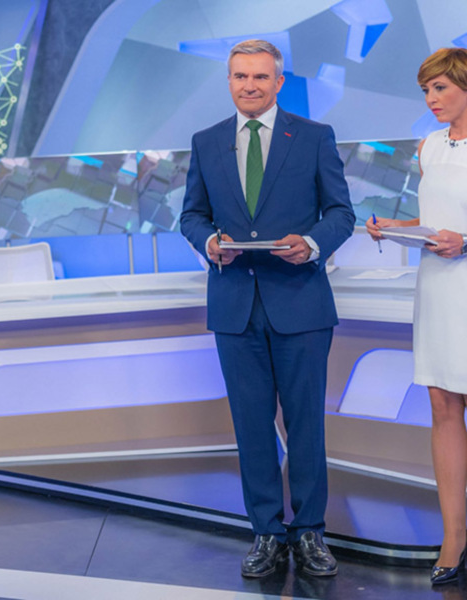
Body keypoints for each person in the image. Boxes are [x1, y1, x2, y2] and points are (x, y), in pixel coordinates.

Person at [180, 39, 355, 578]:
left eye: (259, 76)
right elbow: (192, 216)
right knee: (251, 426)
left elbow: (341, 213)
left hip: (300, 302)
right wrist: (210, 244)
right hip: (235, 306)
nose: (249, 85)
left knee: (306, 427)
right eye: (239, 76)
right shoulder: (206, 142)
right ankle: (265, 533)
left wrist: (312, 242)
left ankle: (309, 534)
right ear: (229, 81)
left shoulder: (314, 136)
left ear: (279, 82)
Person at [367, 47, 467, 586]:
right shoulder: (429, 146)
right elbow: (436, 220)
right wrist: (396, 227)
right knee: (442, 403)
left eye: (440, 89)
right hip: (438, 287)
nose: (430, 100)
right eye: (426, 90)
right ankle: (454, 535)